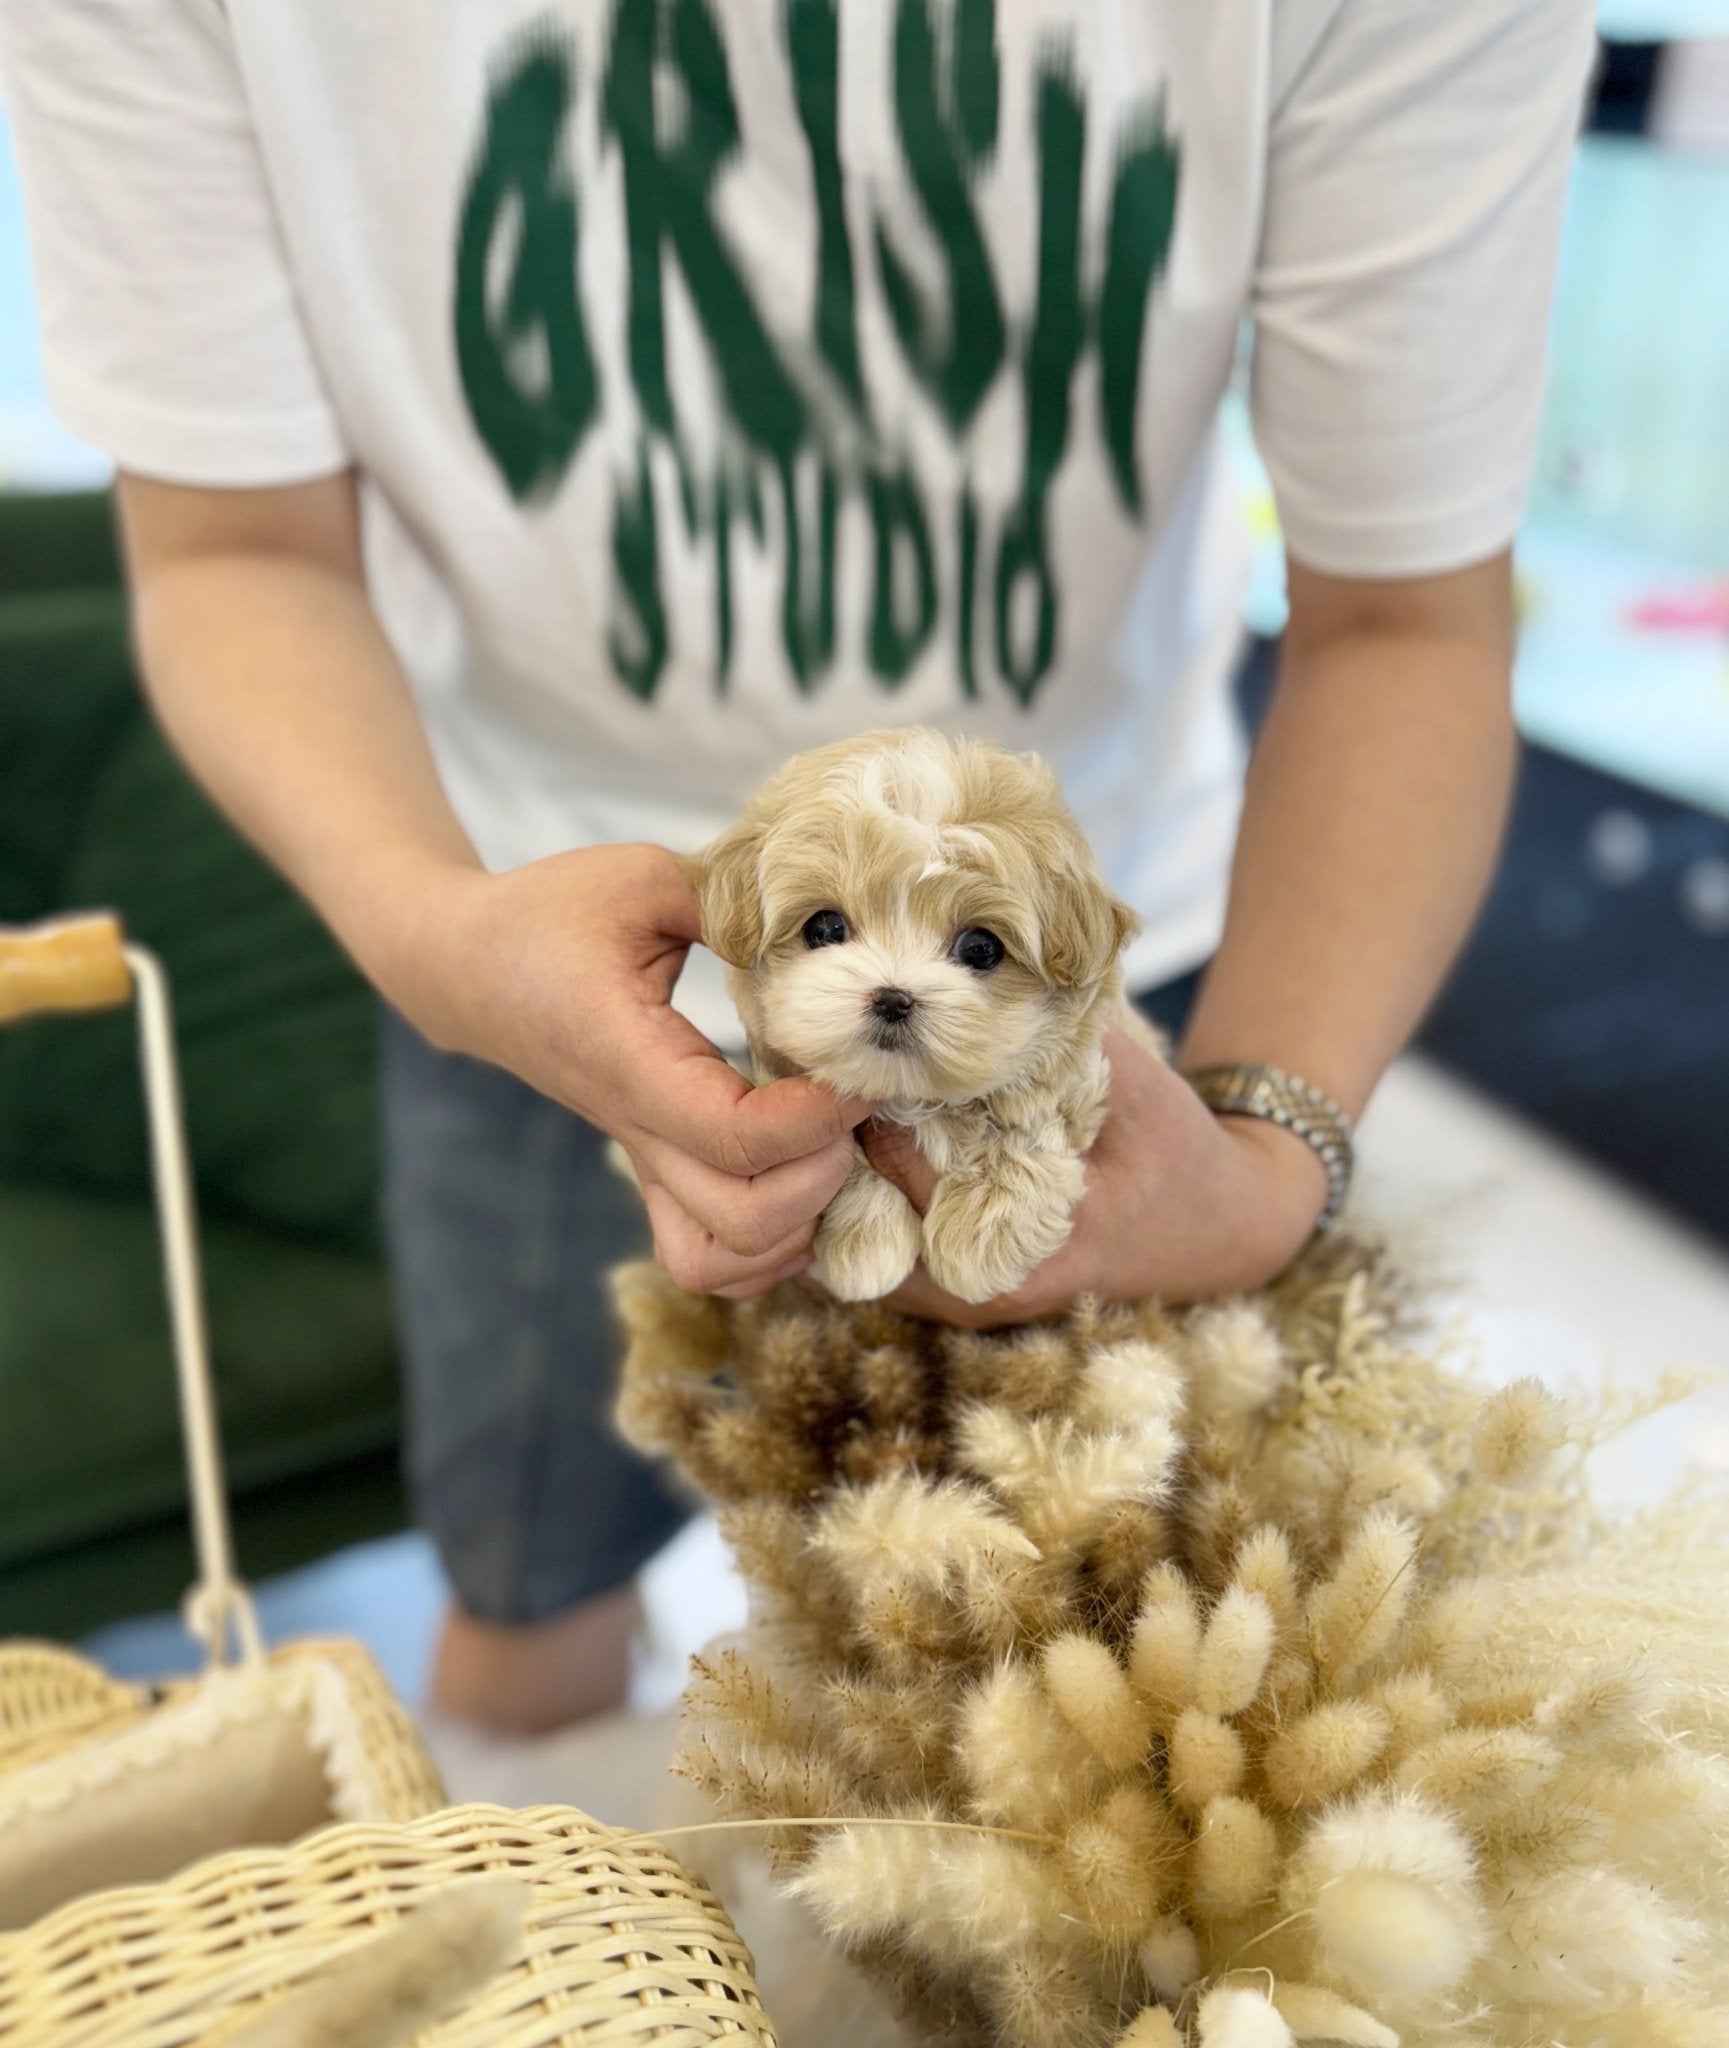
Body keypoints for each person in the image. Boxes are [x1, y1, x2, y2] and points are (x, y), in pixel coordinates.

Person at [0, 0, 1594, 1733]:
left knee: (1104, 1664)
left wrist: (1269, 1147)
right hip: (517, 935)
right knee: (524, 1584)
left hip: (1129, 971)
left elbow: (1407, 624)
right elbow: (235, 547)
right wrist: (436, 932)